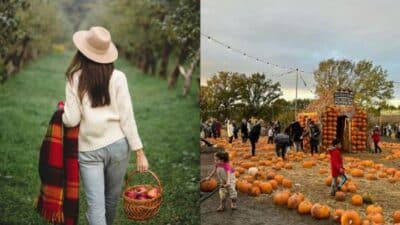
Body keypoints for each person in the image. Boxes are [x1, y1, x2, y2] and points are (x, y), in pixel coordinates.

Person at [62, 26, 149, 225]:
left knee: (96, 206)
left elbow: (71, 119)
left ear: (82, 50)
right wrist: (139, 151)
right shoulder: (118, 77)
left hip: (89, 149)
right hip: (118, 146)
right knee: (111, 199)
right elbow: (128, 118)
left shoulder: (74, 78)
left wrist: (62, 113)